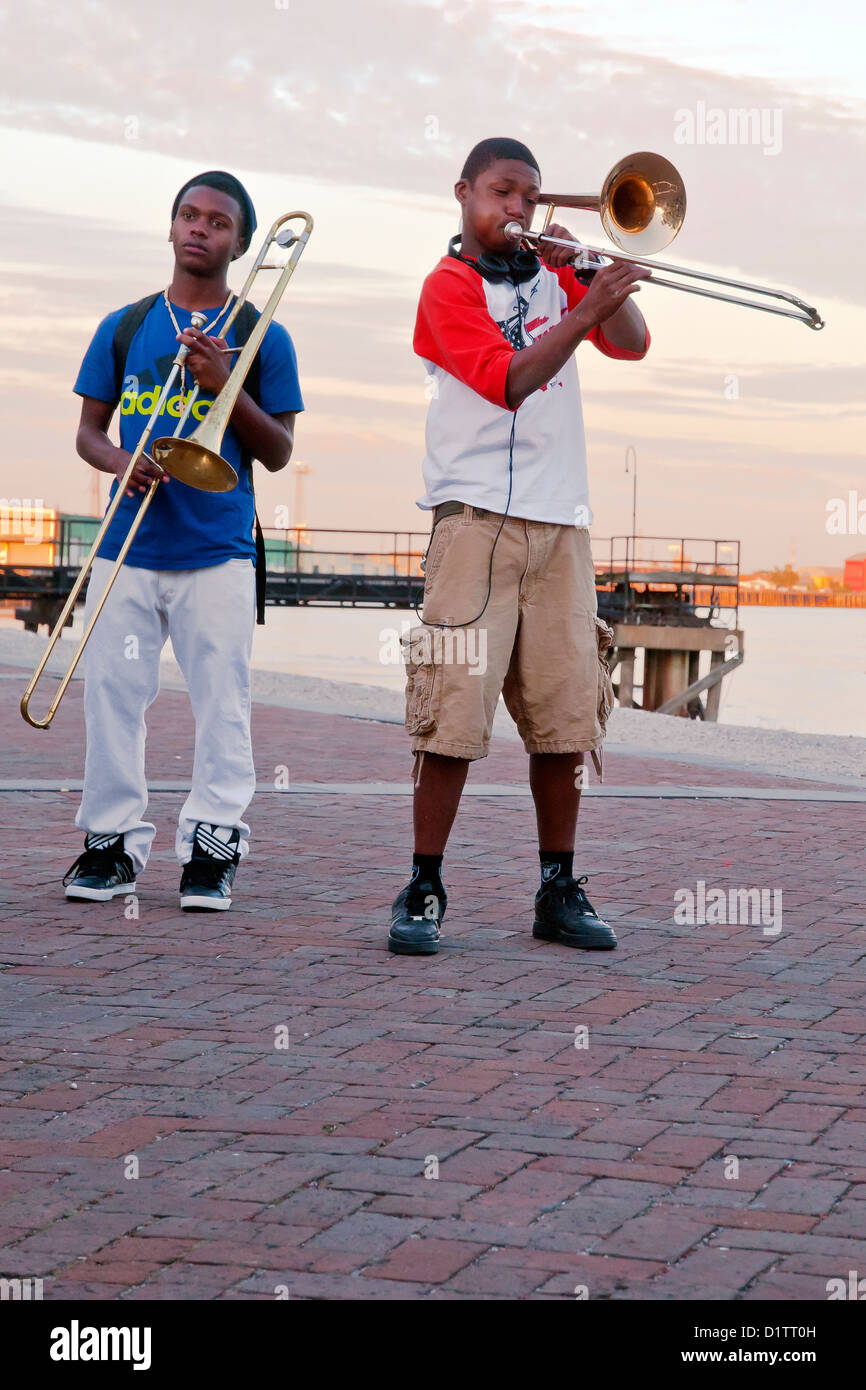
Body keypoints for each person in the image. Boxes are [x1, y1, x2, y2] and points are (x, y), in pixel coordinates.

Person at [389, 137, 650, 956]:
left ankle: (557, 887)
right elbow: (507, 381)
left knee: (567, 718)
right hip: (473, 526)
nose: (519, 210)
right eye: (503, 192)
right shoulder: (446, 286)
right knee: (453, 717)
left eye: (530, 197)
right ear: (464, 193)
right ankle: (425, 884)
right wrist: (581, 308)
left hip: (560, 524)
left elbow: (634, 343)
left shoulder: (556, 272)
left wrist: (592, 274)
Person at [63, 170, 303, 911]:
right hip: (125, 545)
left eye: (218, 222)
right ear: (170, 230)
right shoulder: (125, 325)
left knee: (222, 706)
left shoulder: (264, 334)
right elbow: (88, 434)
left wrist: (223, 382)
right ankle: (110, 844)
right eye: (188, 216)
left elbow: (279, 451)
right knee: (111, 698)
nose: (200, 229)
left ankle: (212, 846)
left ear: (239, 241)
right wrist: (119, 463)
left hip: (218, 551)